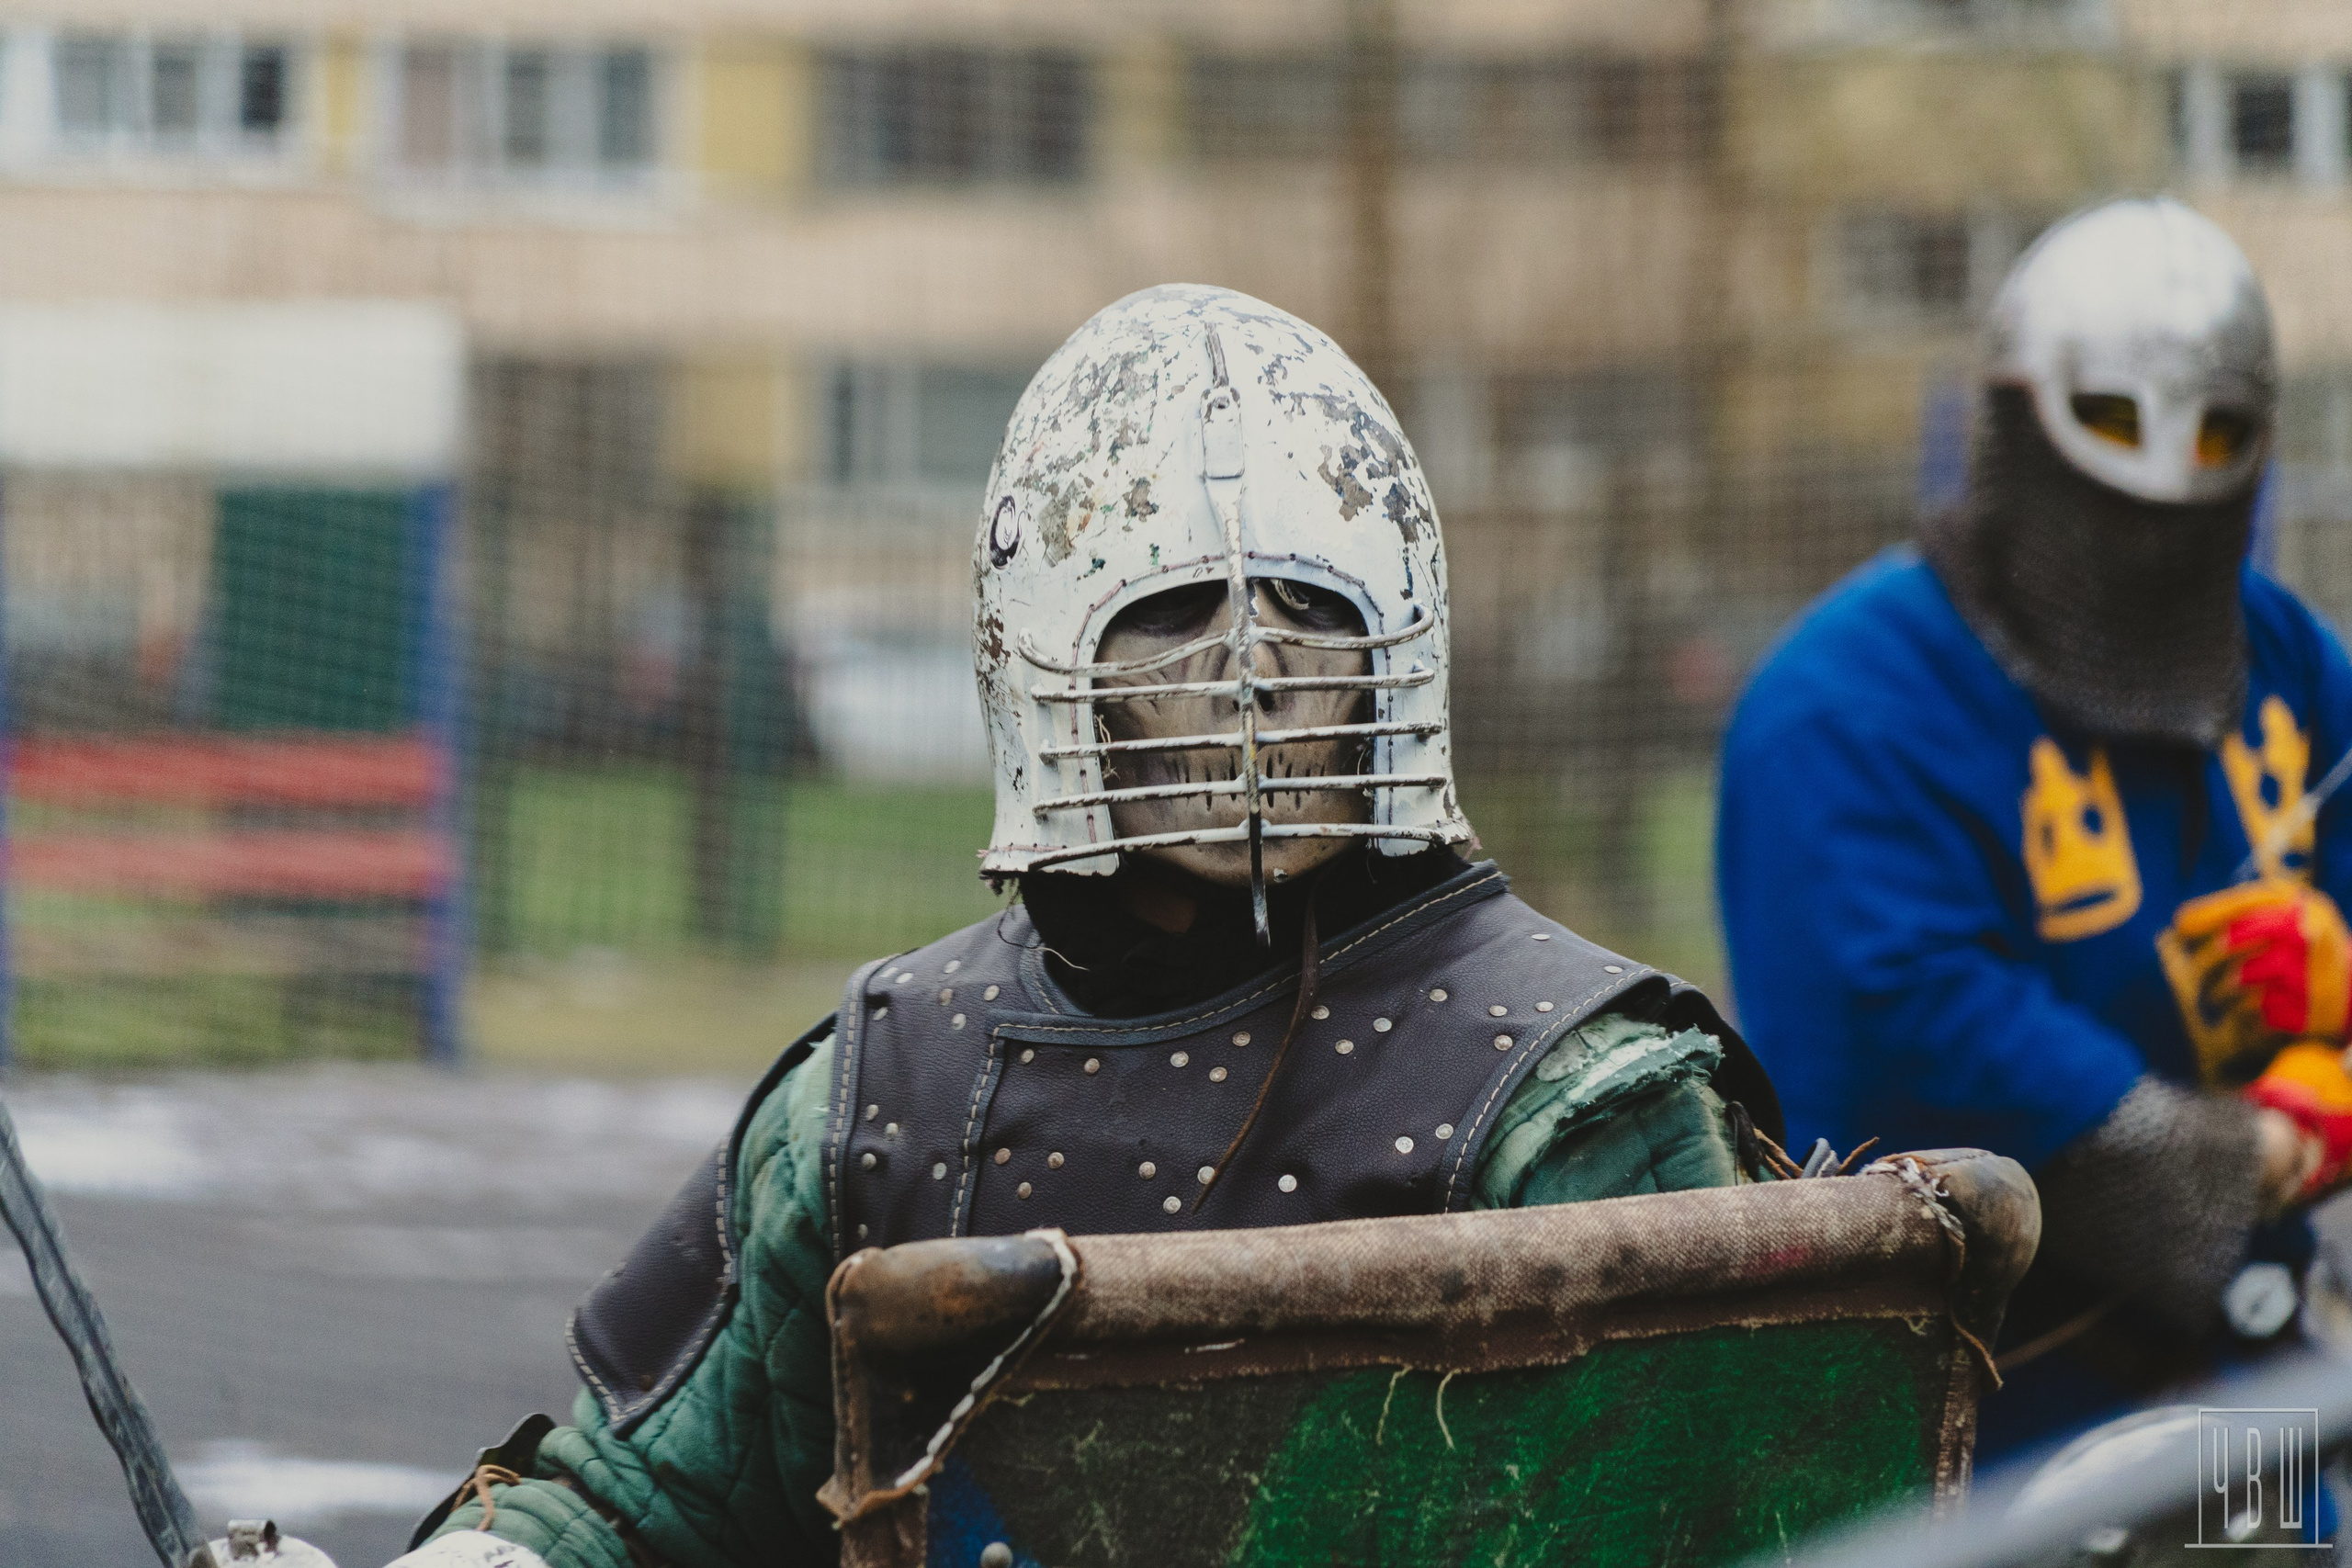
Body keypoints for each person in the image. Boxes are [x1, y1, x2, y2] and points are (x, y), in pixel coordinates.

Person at [389, 285, 1781, 1568]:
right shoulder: (890, 1087)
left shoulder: (1580, 1097)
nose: (1254, 671)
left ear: (1391, 645)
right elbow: (652, 1501)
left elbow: (1713, 1520)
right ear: (1050, 653)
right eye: (1172, 611)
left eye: (1311, 608)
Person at [1717, 197, 2352, 1461]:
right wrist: (2253, 1150)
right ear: (2013, 421)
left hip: (2257, 1387)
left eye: (2218, 436)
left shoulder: (2285, 662)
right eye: (2115, 427)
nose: (2160, 490)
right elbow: (1904, 1021)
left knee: (2286, 1548)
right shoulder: (1845, 704)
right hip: (1966, 1418)